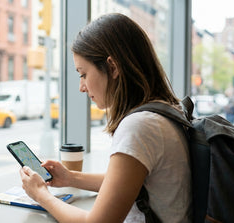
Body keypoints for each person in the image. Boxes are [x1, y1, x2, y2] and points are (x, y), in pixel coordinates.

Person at [19, 13, 191, 222]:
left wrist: (41, 195)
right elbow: (128, 184)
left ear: (112, 67)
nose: (82, 87)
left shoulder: (140, 126)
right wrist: (71, 177)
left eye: (83, 74)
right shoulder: (166, 112)